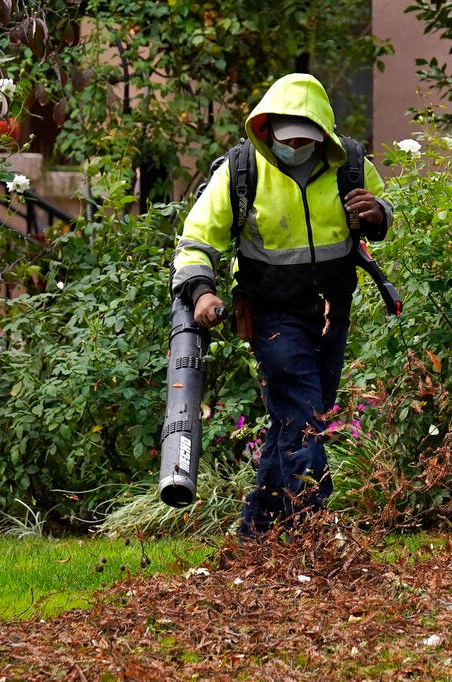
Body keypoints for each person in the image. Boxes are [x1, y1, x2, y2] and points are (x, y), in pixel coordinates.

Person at [171, 73, 392, 538]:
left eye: (306, 140)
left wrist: (378, 215)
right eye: (287, 138)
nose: (296, 146)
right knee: (307, 420)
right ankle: (309, 529)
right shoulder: (241, 169)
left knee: (298, 418)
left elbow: (383, 214)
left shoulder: (349, 163)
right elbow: (196, 241)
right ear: (266, 127)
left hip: (333, 311)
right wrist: (202, 291)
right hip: (271, 315)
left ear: (322, 137)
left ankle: (257, 529)